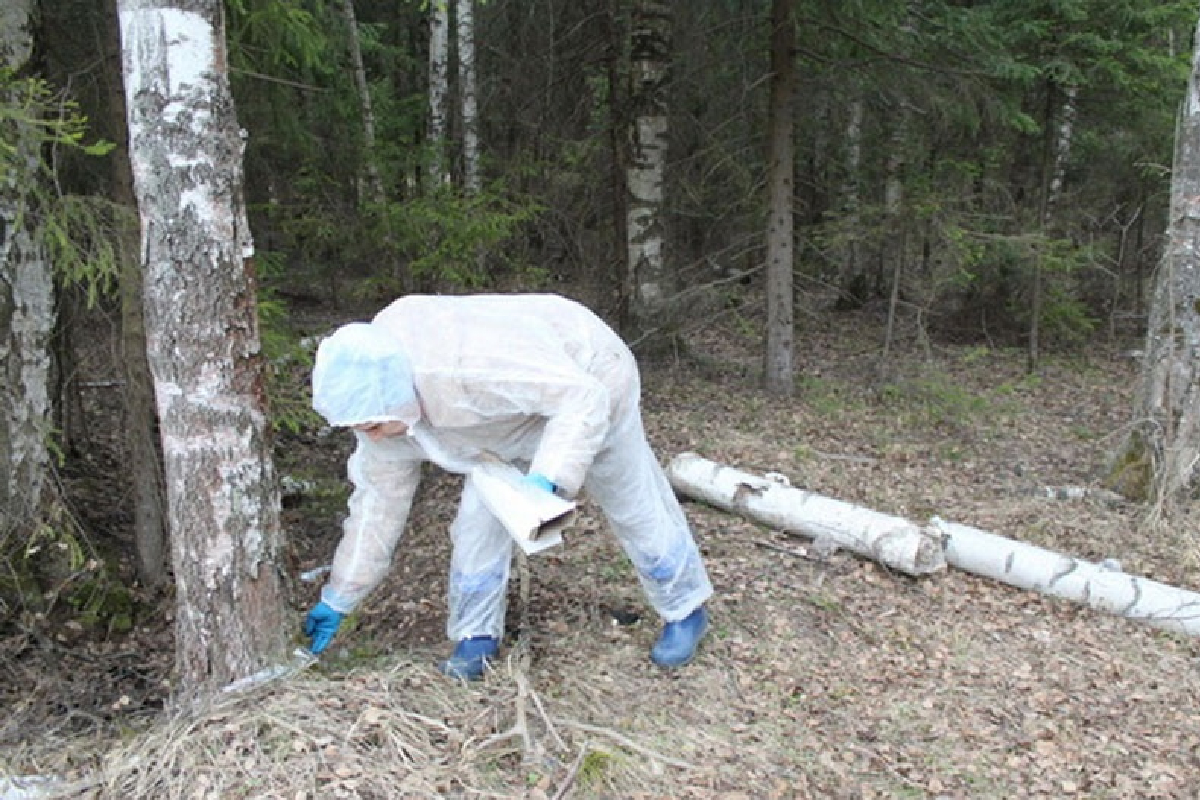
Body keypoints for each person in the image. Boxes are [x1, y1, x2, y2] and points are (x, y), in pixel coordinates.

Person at [303, 293, 714, 680]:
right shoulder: (375, 399)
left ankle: (684, 606)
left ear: (395, 396)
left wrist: (549, 478)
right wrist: (340, 595)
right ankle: (476, 635)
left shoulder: (464, 370)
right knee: (477, 521)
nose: (371, 436)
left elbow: (581, 399)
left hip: (589, 371)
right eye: (361, 428)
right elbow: (377, 507)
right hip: (500, 420)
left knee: (626, 493)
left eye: (373, 425)